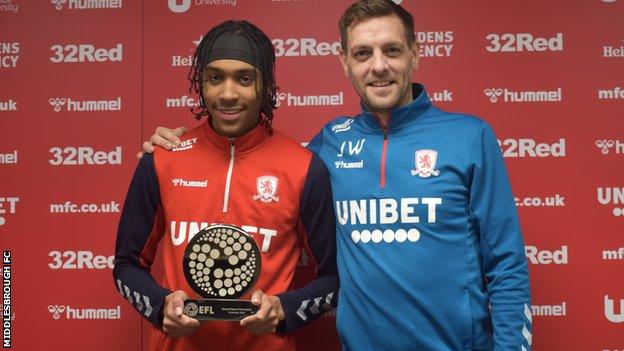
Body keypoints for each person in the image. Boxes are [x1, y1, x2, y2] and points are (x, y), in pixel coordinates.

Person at [144, 1, 532, 350]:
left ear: (415, 54)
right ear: (345, 62)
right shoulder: (326, 145)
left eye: (392, 50)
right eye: (363, 53)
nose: (378, 66)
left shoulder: (469, 136)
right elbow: (256, 157)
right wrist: (176, 145)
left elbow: (507, 265)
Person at [114, 20, 339, 351]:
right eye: (215, 78)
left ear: (266, 85)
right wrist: (161, 307)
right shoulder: (162, 160)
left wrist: (283, 310)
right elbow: (125, 265)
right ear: (201, 84)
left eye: (245, 79)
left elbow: (335, 277)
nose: (228, 94)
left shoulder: (304, 168)